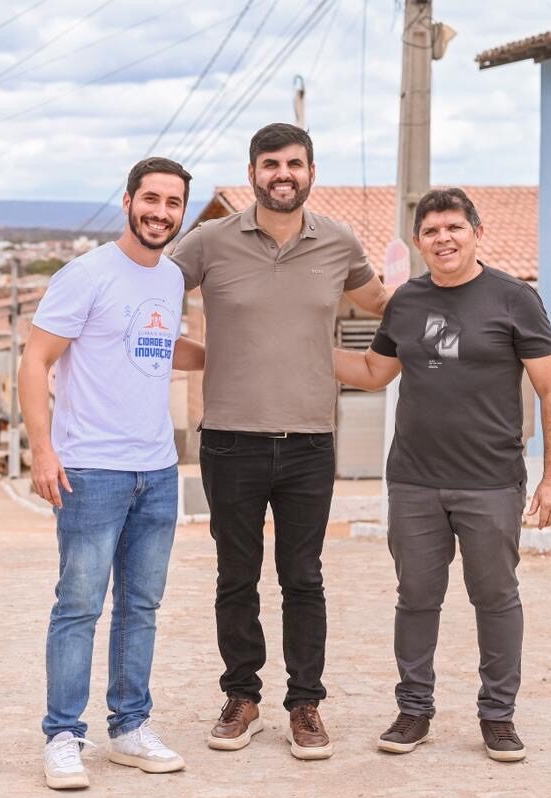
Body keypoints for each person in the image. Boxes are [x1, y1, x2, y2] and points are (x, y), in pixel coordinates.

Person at [171, 123, 390, 760]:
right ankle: (242, 697)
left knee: (303, 578)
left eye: (294, 163)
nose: (283, 174)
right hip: (231, 442)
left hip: (311, 443)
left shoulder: (339, 242)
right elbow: (146, 290)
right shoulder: (210, 241)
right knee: (235, 577)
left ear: (311, 172)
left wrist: (451, 313)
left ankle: (305, 705)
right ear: (254, 173)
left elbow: (384, 303)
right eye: (271, 164)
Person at [334, 187, 551, 762]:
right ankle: (414, 710)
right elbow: (371, 371)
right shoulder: (406, 302)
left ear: (476, 232)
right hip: (413, 480)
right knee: (416, 598)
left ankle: (498, 717)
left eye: (454, 228)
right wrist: (297, 347)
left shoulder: (515, 299)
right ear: (419, 242)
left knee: (495, 598)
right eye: (432, 231)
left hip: (491, 481)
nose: (443, 239)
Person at [19, 156, 205, 790]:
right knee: (79, 605)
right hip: (90, 470)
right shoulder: (86, 273)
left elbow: (151, 343)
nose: (160, 212)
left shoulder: (174, 278)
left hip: (157, 470)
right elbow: (35, 360)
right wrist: (44, 452)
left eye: (172, 203)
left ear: (183, 210)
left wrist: (227, 354)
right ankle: (64, 735)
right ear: (128, 201)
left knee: (141, 606)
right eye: (150, 199)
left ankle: (129, 726)